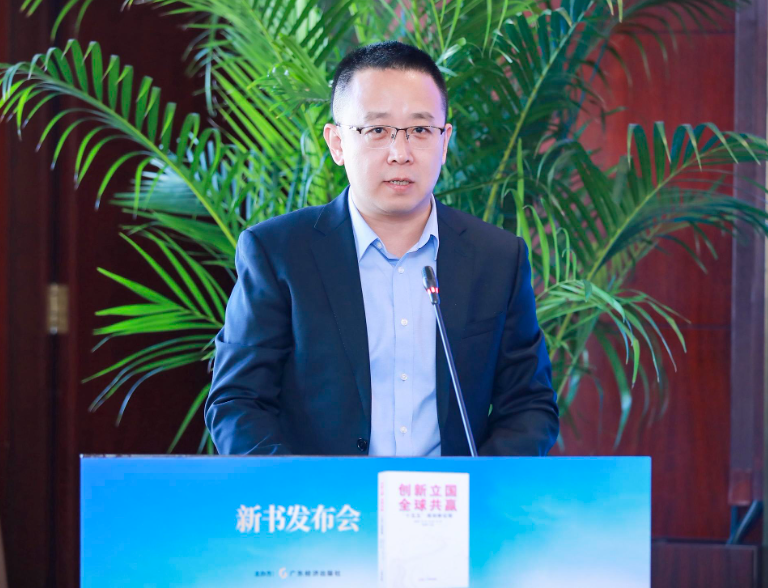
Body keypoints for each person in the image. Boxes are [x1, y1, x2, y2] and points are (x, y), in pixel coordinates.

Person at [204, 41, 559, 456]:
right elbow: (238, 402)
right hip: (325, 496)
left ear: (444, 141)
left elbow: (529, 406)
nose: (400, 154)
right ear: (337, 143)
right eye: (377, 130)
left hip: (453, 495)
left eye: (420, 130)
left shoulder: (497, 258)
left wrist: (477, 486)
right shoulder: (278, 252)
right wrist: (305, 488)